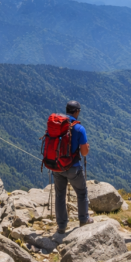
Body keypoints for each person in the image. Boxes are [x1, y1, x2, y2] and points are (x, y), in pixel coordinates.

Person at [53, 100, 92, 234]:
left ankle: (61, 226)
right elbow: (84, 152)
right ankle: (83, 219)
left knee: (60, 195)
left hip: (57, 166)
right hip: (73, 167)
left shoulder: (57, 124)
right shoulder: (79, 128)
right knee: (81, 192)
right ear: (77, 112)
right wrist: (87, 147)